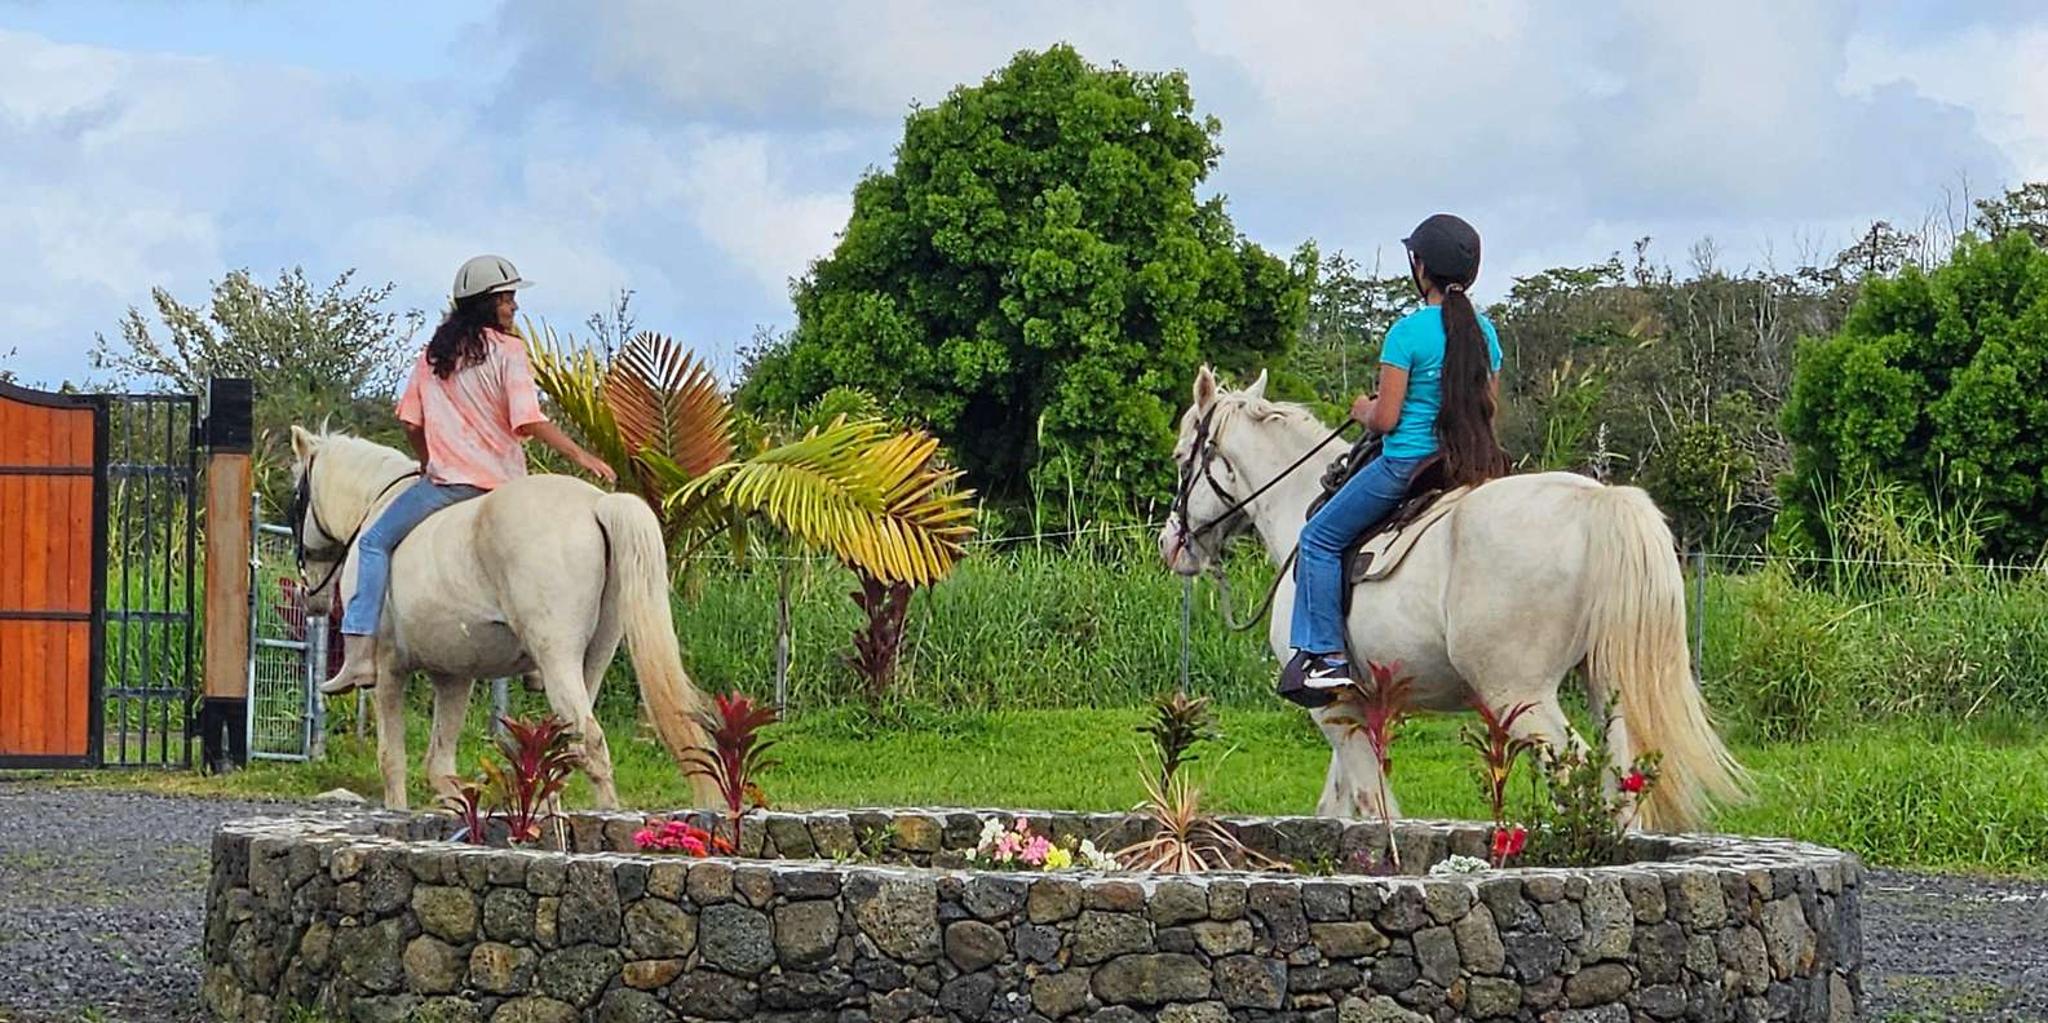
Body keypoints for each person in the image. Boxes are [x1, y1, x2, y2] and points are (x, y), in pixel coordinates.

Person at [320, 255, 617, 696]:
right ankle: (540, 661)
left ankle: (360, 655)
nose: (514, 306)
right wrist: (580, 456)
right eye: (506, 298)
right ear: (485, 304)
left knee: (374, 542)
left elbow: (409, 422)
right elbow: (528, 420)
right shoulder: (509, 352)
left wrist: (427, 462)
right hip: (504, 485)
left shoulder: (432, 358)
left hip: (449, 486)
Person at [1279, 214, 1509, 706]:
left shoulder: (1407, 333)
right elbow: (1489, 410)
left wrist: (1361, 408)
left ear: (1419, 266)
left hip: (1407, 465)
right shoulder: (1485, 334)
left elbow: (1386, 420)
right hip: (1468, 464)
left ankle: (1325, 658)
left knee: (1317, 537)